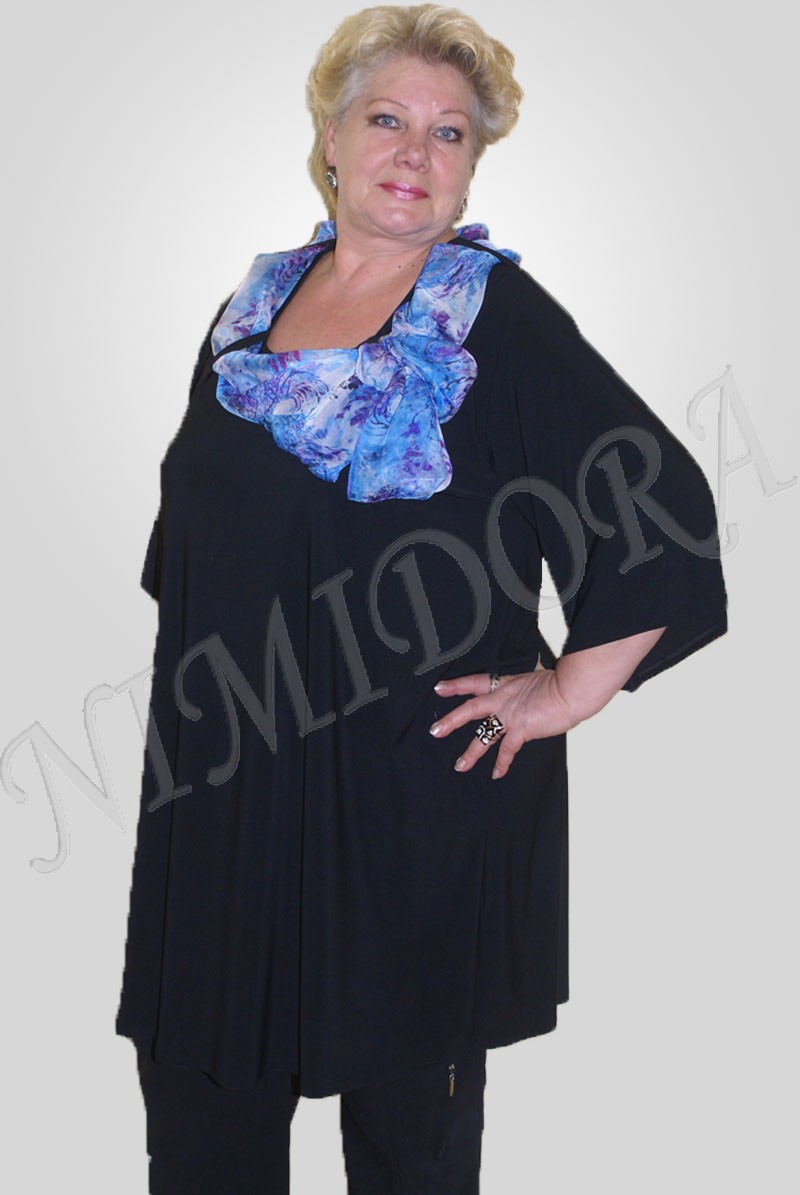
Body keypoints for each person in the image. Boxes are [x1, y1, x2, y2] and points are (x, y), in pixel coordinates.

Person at [115, 5, 728, 1192]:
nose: (413, 152)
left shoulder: (491, 319)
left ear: (470, 165)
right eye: (386, 119)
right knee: (201, 1137)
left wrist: (565, 688)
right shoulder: (246, 316)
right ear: (330, 139)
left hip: (410, 807)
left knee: (409, 1155)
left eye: (448, 133)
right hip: (224, 803)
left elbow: (657, 501)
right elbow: (198, 559)